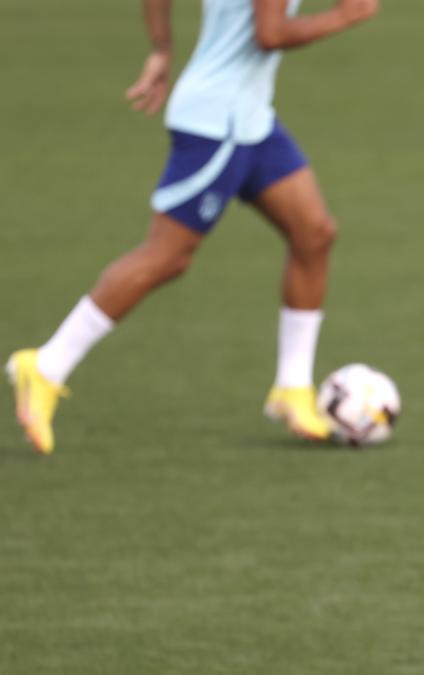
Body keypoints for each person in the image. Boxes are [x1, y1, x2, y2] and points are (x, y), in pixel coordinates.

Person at [6, 0, 378, 454]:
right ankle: (45, 365)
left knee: (314, 233)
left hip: (251, 120)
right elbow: (271, 33)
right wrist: (346, 15)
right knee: (167, 256)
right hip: (216, 125)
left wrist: (161, 49)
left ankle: (292, 388)